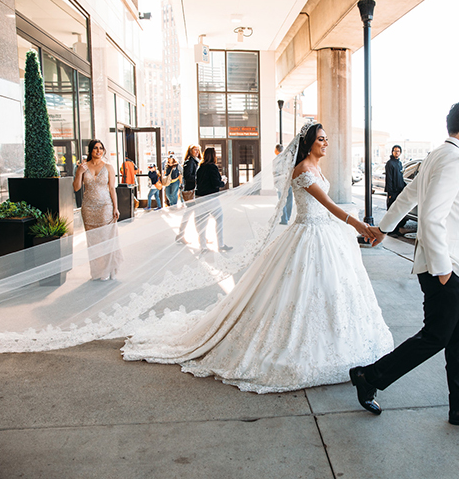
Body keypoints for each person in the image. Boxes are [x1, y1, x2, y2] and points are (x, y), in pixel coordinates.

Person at [122, 123, 394, 393]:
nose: (326, 143)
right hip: (308, 234)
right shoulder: (302, 171)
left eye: (326, 139)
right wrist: (358, 225)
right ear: (309, 142)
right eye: (321, 139)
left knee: (329, 292)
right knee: (296, 295)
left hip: (324, 235)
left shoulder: (317, 168)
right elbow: (328, 205)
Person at [350, 100, 459, 427]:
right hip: (447, 267)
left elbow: (410, 194)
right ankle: (369, 376)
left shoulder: (444, 155)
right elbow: (432, 217)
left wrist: (384, 228)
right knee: (436, 337)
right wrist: (442, 270)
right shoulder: (451, 159)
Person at [72, 139, 124, 281]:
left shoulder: (108, 167)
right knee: (93, 241)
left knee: (105, 238)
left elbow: (112, 189)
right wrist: (79, 173)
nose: (98, 151)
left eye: (101, 148)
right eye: (95, 148)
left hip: (105, 206)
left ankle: (108, 269)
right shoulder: (83, 167)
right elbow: (76, 188)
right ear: (90, 150)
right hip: (88, 208)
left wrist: (116, 207)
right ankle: (98, 271)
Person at [194, 148, 231, 252]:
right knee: (219, 219)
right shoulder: (212, 167)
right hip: (210, 198)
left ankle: (203, 246)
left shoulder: (200, 168)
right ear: (213, 156)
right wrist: (223, 181)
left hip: (199, 198)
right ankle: (221, 244)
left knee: (202, 223)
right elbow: (216, 184)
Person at [384, 145, 406, 235]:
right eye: (395, 151)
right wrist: (390, 193)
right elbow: (389, 179)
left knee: (397, 212)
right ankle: (390, 231)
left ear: (400, 153)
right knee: (391, 211)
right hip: (392, 192)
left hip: (399, 191)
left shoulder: (399, 163)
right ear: (392, 152)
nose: (397, 153)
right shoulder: (390, 163)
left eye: (398, 151)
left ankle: (396, 230)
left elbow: (401, 177)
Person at [275, 144, 293, 224]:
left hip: (281, 182)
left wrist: (275, 183)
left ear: (276, 150)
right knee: (289, 199)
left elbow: (275, 172)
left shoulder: (276, 160)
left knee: (282, 200)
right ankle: (288, 216)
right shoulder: (287, 158)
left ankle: (284, 219)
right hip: (288, 181)